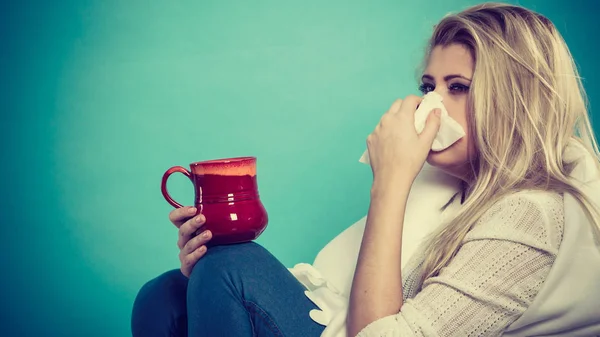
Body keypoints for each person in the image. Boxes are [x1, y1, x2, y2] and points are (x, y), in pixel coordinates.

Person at [131, 2, 600, 336]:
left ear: (517, 102)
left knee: (234, 265)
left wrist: (390, 181)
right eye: (428, 85)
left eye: (458, 87)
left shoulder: (530, 217)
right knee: (168, 293)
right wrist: (209, 285)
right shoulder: (455, 187)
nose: (432, 103)